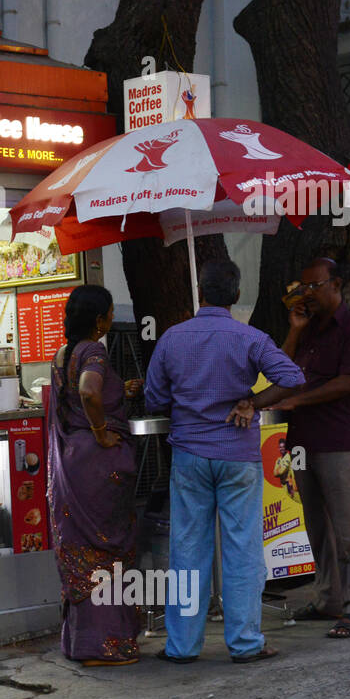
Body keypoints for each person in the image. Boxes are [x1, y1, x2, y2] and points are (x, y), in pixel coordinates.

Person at [144, 259, 304, 663]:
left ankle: (181, 646)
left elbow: (154, 399)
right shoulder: (250, 337)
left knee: (187, 550)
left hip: (189, 456)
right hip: (238, 456)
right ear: (235, 295)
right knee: (243, 548)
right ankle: (246, 643)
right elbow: (292, 377)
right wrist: (252, 401)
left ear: (200, 292)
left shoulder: (172, 339)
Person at [273, 256, 350, 639]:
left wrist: (297, 402)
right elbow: (280, 371)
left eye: (314, 286)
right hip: (302, 443)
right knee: (318, 528)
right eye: (302, 287)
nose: (307, 294)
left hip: (338, 440)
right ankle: (329, 598)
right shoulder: (308, 331)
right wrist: (295, 330)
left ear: (336, 284)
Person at [46, 284, 145, 666]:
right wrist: (102, 431)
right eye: (108, 314)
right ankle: (109, 646)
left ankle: (81, 643)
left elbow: (78, 394)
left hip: (72, 461)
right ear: (100, 320)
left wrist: (121, 391)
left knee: (82, 549)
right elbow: (88, 392)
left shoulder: (61, 353)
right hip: (98, 461)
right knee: (108, 550)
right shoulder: (95, 350)